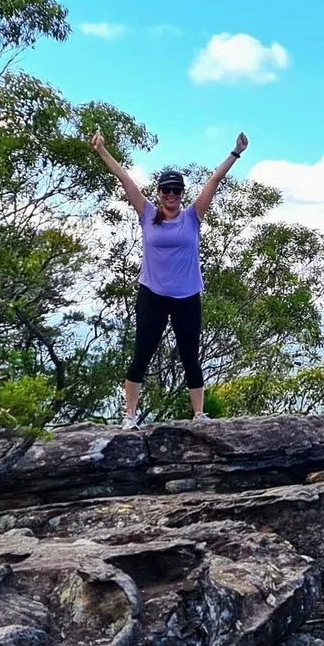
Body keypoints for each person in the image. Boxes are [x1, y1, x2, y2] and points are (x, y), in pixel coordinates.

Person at [88, 129, 247, 425]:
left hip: (187, 297)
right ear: (159, 193)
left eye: (177, 190)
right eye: (167, 190)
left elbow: (215, 180)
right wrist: (101, 150)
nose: (172, 195)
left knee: (190, 356)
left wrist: (235, 153)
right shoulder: (146, 213)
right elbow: (125, 179)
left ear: (182, 194)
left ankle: (199, 414)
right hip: (152, 296)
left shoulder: (193, 216)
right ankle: (130, 415)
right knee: (143, 353)